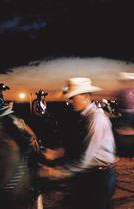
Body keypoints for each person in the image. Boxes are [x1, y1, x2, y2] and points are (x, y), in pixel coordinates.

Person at [40, 77, 117, 209]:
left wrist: (54, 173)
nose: (70, 100)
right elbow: (77, 145)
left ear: (86, 96)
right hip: (91, 175)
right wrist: (57, 153)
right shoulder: (84, 117)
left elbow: (85, 158)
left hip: (98, 177)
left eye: (73, 97)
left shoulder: (95, 119)